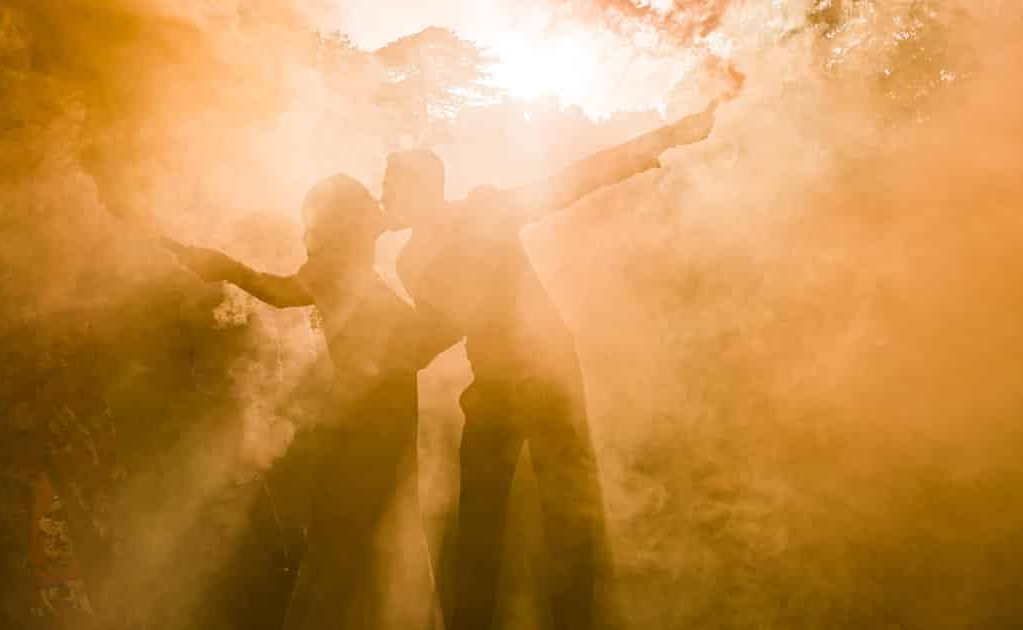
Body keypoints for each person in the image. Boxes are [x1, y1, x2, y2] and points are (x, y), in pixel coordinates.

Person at [382, 101, 718, 630]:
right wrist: (379, 351)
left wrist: (667, 137)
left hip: (549, 375)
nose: (383, 197)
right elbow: (444, 328)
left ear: (421, 190)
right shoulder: (409, 260)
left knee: (571, 514)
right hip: (492, 384)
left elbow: (571, 181)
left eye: (391, 186)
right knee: (479, 521)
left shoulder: (482, 213)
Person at [162, 175, 457, 630]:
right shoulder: (336, 267)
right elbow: (277, 292)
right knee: (362, 530)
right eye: (365, 205)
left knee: (367, 528)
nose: (377, 206)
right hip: (374, 416)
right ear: (349, 220)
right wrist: (224, 267)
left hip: (381, 413)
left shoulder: (350, 267)